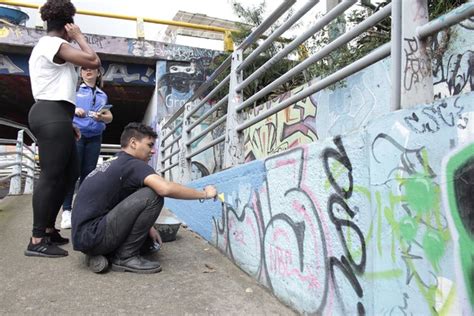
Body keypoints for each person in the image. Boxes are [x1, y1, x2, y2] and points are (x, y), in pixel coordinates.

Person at [71, 122, 217, 274]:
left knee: (148, 243)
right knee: (153, 195)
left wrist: (149, 227)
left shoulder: (116, 161)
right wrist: (205, 194)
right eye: (149, 145)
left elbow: (119, 201)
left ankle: (100, 255)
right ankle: (125, 257)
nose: (153, 151)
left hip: (84, 238)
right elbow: (165, 188)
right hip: (94, 235)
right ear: (133, 143)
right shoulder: (134, 164)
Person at [25, 0, 101, 258]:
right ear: (68, 25)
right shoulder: (53, 44)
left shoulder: (52, 47)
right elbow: (93, 60)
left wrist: (68, 123)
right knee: (51, 175)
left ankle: (48, 228)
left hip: (58, 115)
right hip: (50, 113)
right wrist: (79, 37)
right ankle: (36, 239)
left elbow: (55, 85)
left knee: (70, 172)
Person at [61, 67, 113, 229]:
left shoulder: (102, 94)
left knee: (88, 174)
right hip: (77, 135)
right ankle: (66, 211)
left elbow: (108, 117)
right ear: (80, 73)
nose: (88, 71)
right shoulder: (74, 90)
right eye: (84, 69)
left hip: (95, 137)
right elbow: (62, 109)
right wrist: (74, 110)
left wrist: (102, 117)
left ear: (98, 73)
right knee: (72, 173)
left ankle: (80, 210)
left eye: (92, 69)